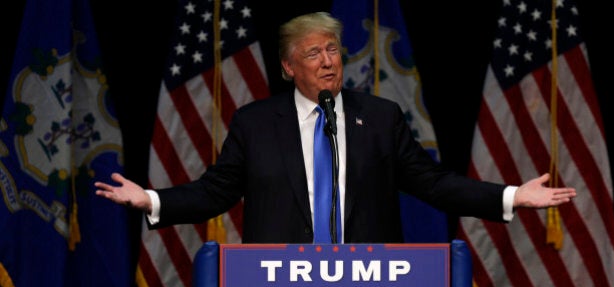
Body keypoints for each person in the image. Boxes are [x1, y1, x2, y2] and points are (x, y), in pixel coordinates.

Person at [95, 11, 576, 244]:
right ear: (288, 67)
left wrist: (511, 196)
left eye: (332, 50)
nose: (327, 62)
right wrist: (152, 200)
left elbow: (433, 184)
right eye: (313, 54)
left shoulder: (381, 118)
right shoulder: (256, 123)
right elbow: (215, 192)